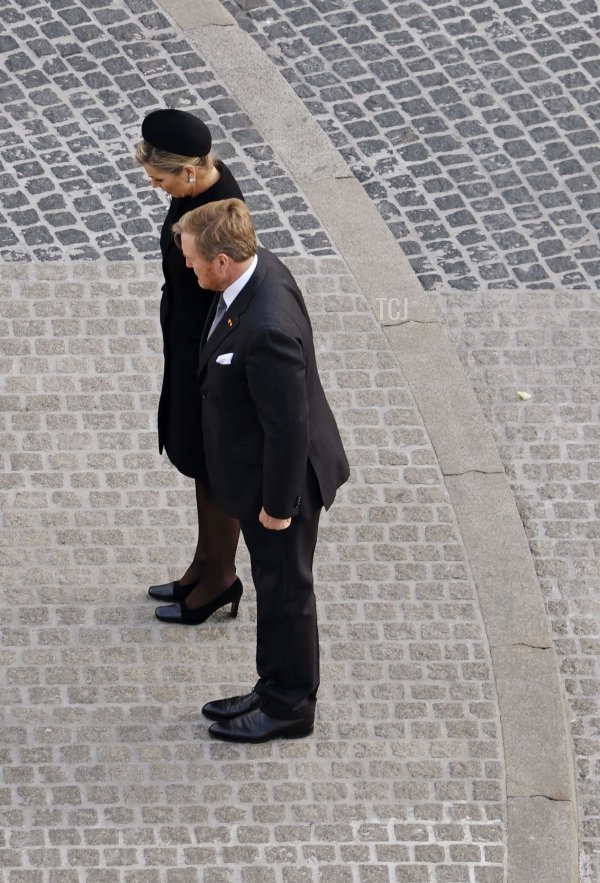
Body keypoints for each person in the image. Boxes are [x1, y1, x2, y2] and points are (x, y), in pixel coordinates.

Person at [172, 199, 350, 743]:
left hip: (283, 486)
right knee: (276, 591)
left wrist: (277, 506)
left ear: (223, 261)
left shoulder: (267, 326)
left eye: (194, 260)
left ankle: (289, 705)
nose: (189, 268)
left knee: (285, 594)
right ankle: (272, 686)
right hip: (262, 475)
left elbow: (288, 427)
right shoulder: (254, 273)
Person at [136, 108, 246, 626]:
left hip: (208, 348)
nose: (156, 187)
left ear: (188, 172)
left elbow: (228, 291)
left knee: (213, 463)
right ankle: (203, 565)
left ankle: (220, 578)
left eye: (160, 179)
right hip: (188, 338)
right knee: (203, 463)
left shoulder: (216, 210)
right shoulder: (195, 189)